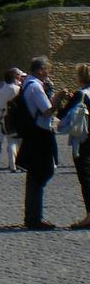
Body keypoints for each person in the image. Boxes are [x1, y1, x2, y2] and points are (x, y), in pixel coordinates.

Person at [16, 56, 67, 230]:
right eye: (47, 70)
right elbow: (47, 111)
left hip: (33, 132)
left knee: (35, 176)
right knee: (41, 173)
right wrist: (59, 98)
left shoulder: (27, 84)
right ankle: (33, 218)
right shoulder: (36, 87)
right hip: (40, 134)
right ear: (40, 70)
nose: (49, 73)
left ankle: (32, 216)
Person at [59, 62, 90, 229]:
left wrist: (62, 99)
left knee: (86, 177)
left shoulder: (81, 94)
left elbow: (62, 114)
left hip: (85, 139)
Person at [0, 68, 22, 171]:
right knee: (13, 140)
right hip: (11, 117)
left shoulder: (1, 88)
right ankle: (14, 163)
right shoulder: (16, 89)